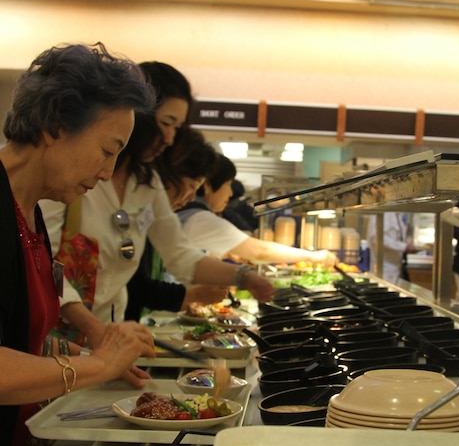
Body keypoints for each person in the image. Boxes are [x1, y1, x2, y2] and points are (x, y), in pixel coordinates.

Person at [0, 42, 157, 446]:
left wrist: (95, 355)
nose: (109, 172)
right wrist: (98, 366)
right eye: (107, 151)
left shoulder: (30, 211)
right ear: (55, 126)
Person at [40, 112, 273, 343]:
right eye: (167, 123)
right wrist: (92, 327)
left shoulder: (146, 185)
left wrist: (245, 276)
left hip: (110, 330)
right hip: (58, 337)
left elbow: (181, 256)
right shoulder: (72, 179)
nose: (169, 137)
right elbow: (43, 266)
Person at [124, 126, 224, 321]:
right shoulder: (135, 210)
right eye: (191, 186)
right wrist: (196, 294)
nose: (191, 197)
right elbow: (137, 285)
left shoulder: (156, 215)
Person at [175, 154, 339, 267]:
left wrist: (227, 253)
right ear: (208, 186)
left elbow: (189, 253)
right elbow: (261, 252)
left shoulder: (194, 214)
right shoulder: (198, 217)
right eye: (228, 185)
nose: (231, 193)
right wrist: (314, 256)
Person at [367, 212, 416, 284]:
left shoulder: (397, 214)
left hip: (396, 270)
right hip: (383, 271)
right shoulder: (383, 213)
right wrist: (404, 247)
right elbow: (376, 238)